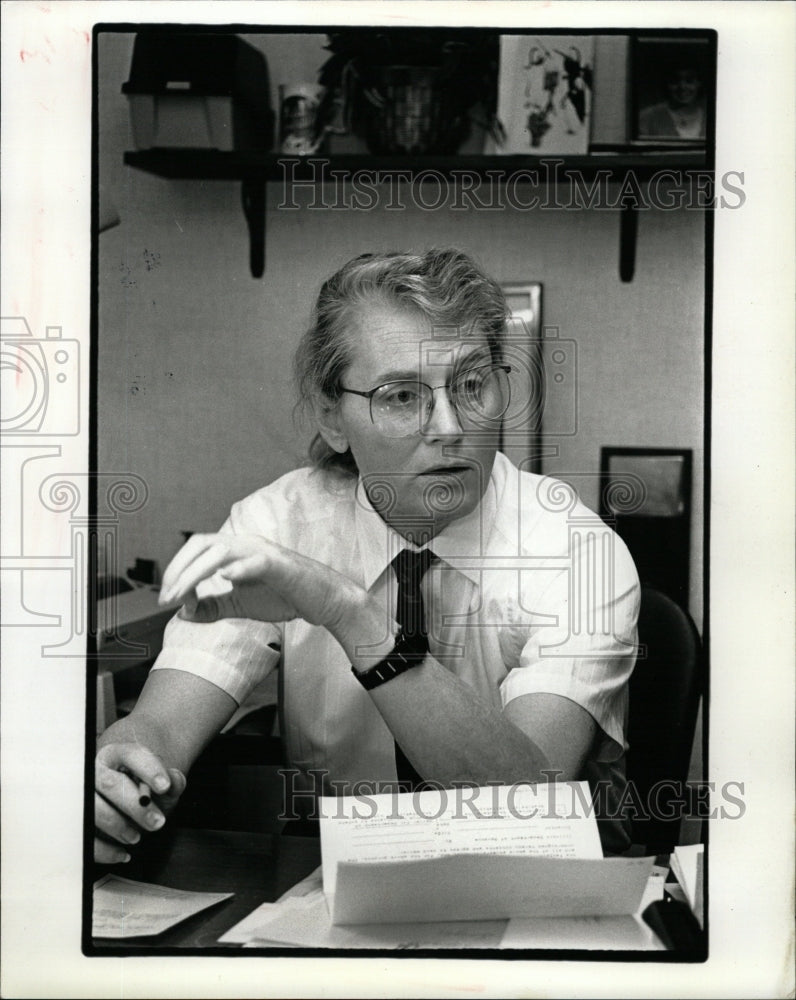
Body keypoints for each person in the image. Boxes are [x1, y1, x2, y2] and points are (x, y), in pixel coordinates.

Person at [94, 247, 640, 863]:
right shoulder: (277, 525)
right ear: (333, 418)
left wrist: (350, 614)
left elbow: (523, 806)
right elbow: (162, 727)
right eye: (402, 396)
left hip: (535, 892)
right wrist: (124, 769)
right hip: (335, 890)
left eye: (470, 384)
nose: (450, 426)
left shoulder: (578, 548)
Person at [638, 58, 706, 140]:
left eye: (689, 81)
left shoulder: (712, 117)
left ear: (699, 84)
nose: (682, 87)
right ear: (666, 84)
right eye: (675, 81)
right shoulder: (647, 118)